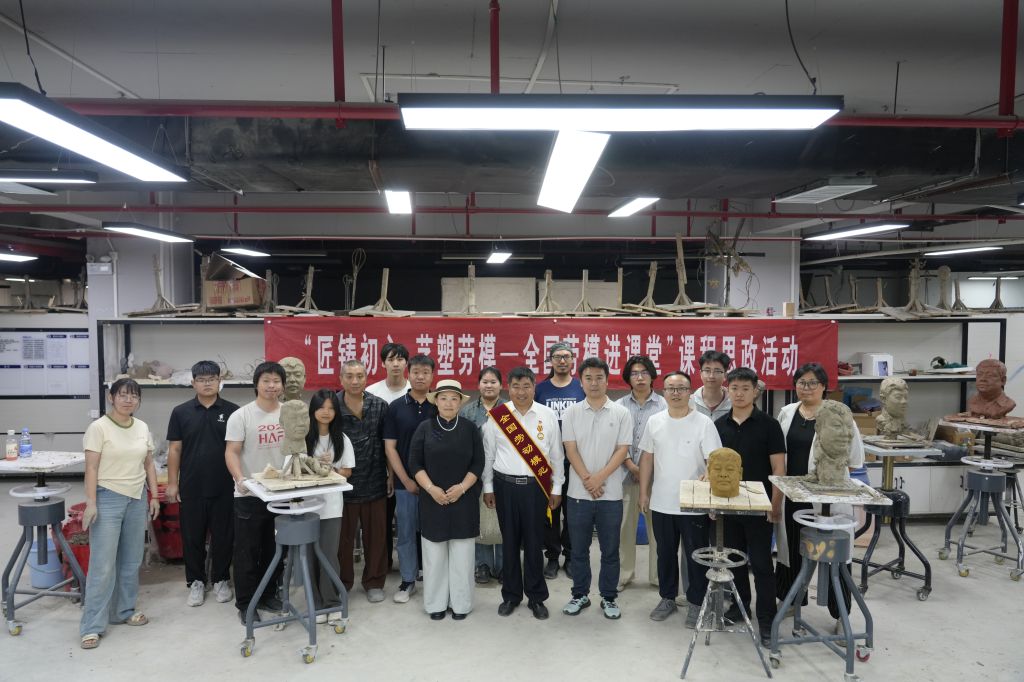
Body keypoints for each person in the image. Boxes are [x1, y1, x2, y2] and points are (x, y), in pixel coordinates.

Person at [79, 378, 160, 649]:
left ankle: (123, 611)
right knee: (102, 565)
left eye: (134, 396)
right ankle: (92, 626)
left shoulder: (142, 427)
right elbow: (91, 468)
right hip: (107, 498)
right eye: (123, 395)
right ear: (111, 397)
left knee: (131, 560)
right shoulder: (98, 428)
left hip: (136, 498)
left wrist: (154, 496)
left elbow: (148, 463)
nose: (128, 400)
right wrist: (91, 502)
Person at [638, 371, 721, 627]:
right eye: (671, 389)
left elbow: (714, 461)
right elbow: (647, 458)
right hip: (662, 502)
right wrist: (644, 492)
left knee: (695, 555)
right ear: (663, 392)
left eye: (681, 388)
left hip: (694, 504)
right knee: (664, 554)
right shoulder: (654, 421)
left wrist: (709, 480)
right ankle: (667, 598)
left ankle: (696, 602)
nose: (676, 393)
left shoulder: (703, 423)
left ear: (689, 392)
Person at [482, 366, 564, 620]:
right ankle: (511, 595)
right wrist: (488, 487)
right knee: (509, 544)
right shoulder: (498, 417)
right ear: (508, 388)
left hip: (536, 488)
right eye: (516, 386)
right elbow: (488, 456)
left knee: (534, 544)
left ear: (534, 387)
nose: (521, 392)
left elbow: (557, 456)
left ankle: (536, 597)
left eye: (526, 386)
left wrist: (557, 487)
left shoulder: (547, 415)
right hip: (505, 487)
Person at [714, 367, 786, 647]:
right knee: (735, 561)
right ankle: (739, 606)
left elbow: (778, 468)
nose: (740, 394)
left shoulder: (769, 425)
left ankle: (767, 618)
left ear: (756, 391)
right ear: (727, 390)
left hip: (759, 508)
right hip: (728, 507)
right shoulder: (719, 425)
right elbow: (711, 467)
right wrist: (713, 504)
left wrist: (775, 505)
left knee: (762, 564)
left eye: (746, 388)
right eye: (734, 388)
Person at [560, 357, 632, 620]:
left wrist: (598, 479)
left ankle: (609, 597)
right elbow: (570, 449)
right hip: (577, 495)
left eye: (599, 378)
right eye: (588, 378)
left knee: (610, 551)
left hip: (610, 495)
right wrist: (587, 480)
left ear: (607, 381)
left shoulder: (621, 413)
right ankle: (580, 594)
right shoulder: (571, 412)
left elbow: (622, 450)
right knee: (578, 550)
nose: (593, 383)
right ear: (580, 382)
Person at [165, 360, 239, 608]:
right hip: (191, 485)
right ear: (193, 383)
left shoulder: (233, 412)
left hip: (224, 485)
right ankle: (195, 581)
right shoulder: (180, 412)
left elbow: (238, 450)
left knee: (224, 536)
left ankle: (221, 579)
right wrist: (173, 483)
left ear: (220, 381)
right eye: (202, 380)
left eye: (212, 379)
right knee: (192, 537)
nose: (207, 383)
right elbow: (175, 449)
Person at [409, 380, 484, 620]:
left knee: (462, 556)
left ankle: (461, 604)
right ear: (436, 402)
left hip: (464, 500)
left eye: (454, 398)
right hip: (433, 500)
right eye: (443, 398)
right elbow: (414, 463)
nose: (449, 403)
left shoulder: (470, 429)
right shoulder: (424, 428)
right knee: (434, 556)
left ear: (460, 403)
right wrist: (431, 489)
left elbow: (478, 463)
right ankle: (436, 604)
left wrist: (461, 488)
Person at [225, 361, 287, 625]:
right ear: (256, 384)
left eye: (276, 381)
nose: (271, 386)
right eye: (266, 381)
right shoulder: (241, 416)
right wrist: (240, 478)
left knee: (276, 550)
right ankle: (246, 603)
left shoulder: (288, 413)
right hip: (250, 495)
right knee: (247, 552)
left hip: (281, 494)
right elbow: (231, 451)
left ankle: (269, 595)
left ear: (283, 386)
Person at [383, 353, 437, 604]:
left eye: (425, 372)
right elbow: (390, 448)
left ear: (432, 376)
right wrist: (404, 480)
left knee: (433, 533)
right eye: (416, 372)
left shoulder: (440, 404)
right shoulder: (395, 407)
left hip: (436, 485)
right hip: (405, 484)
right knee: (405, 532)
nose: (420, 377)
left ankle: (434, 578)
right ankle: (407, 580)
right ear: (409, 373)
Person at [336, 359, 390, 603]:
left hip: (375, 480)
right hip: (342, 485)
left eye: (359, 376)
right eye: (349, 376)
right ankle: (342, 582)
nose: (355, 381)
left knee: (376, 537)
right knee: (342, 540)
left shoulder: (379, 406)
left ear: (366, 378)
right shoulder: (332, 405)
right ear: (341, 379)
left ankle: (374, 581)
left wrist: (390, 475)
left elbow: (388, 444)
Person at [615, 355, 666, 592]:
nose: (640, 377)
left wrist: (645, 470)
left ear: (652, 376)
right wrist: (632, 466)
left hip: (657, 480)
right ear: (628, 378)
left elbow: (666, 443)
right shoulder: (619, 406)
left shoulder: (664, 405)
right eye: (634, 373)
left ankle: (658, 576)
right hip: (625, 477)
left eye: (644, 372)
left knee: (659, 533)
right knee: (625, 529)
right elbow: (615, 441)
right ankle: (624, 575)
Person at [534, 341, 584, 579]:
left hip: (575, 461)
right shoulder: (540, 389)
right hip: (547, 462)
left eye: (566, 356)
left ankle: (571, 556)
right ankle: (552, 557)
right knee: (550, 513)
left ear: (573, 360)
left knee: (572, 513)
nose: (562, 361)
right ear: (550, 361)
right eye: (557, 356)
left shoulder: (581, 387)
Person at [305, 389, 355, 625]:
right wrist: (312, 465)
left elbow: (347, 471)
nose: (326, 412)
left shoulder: (341, 439)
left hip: (332, 506)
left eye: (331, 408)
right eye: (321, 407)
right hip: (305, 506)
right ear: (313, 410)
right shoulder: (303, 438)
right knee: (308, 556)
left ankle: (332, 602)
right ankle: (315, 603)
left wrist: (331, 469)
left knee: (328, 554)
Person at [366, 341, 411, 573]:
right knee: (381, 520)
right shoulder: (371, 392)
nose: (395, 364)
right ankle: (383, 564)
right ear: (382, 363)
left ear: (406, 363)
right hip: (378, 468)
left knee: (410, 521)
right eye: (390, 359)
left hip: (410, 468)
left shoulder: (416, 391)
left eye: (400, 359)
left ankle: (412, 566)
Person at [459, 366, 505, 585]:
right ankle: (482, 565)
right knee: (480, 520)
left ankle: (504, 565)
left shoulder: (509, 410)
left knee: (504, 521)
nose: (489, 386)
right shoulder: (467, 412)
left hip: (504, 473)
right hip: (475, 475)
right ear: (478, 385)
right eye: (485, 382)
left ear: (501, 385)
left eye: (493, 382)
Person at [693, 350, 732, 421]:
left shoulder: (734, 403)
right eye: (707, 371)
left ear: (725, 375)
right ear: (701, 374)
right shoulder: (689, 402)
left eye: (717, 371)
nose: (711, 376)